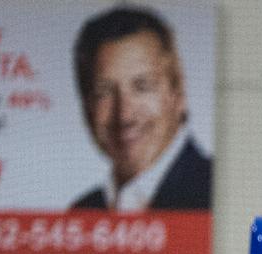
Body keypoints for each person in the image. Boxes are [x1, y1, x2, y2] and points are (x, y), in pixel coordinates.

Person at [69, 5, 212, 212]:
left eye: (142, 86)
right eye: (104, 92)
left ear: (178, 94)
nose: (125, 115)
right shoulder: (81, 212)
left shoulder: (221, 194)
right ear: (86, 106)